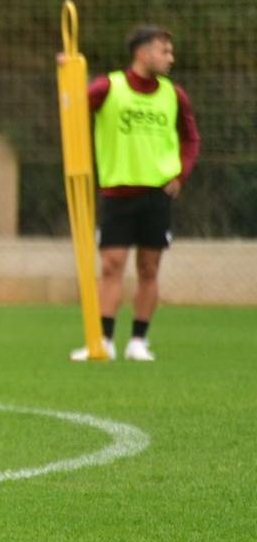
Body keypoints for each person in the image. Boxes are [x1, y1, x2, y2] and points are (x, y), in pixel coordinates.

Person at [70, 26, 200, 361]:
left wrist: (181, 174)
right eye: (164, 50)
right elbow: (73, 106)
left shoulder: (174, 94)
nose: (170, 58)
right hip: (117, 191)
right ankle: (104, 341)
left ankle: (138, 341)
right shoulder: (108, 87)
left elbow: (191, 138)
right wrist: (67, 73)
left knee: (149, 267)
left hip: (156, 194)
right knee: (112, 266)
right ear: (143, 53)